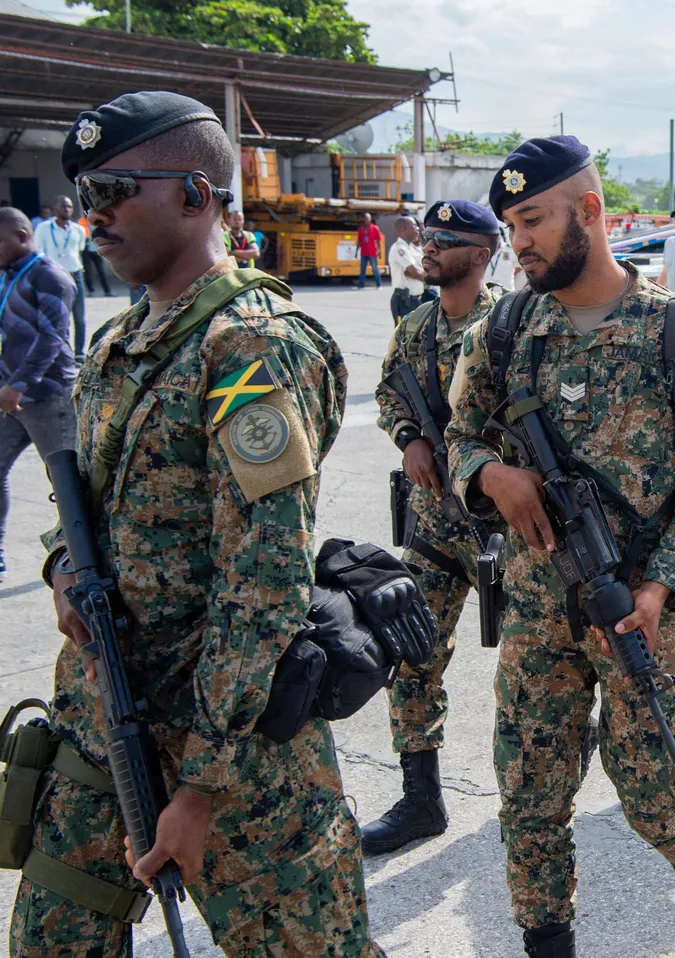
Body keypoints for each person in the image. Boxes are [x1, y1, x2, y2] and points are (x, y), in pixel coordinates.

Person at [13, 91, 382, 955]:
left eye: (112, 189)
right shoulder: (121, 340)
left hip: (233, 751)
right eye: (85, 192)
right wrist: (63, 563)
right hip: (103, 716)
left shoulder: (252, 348)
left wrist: (203, 790)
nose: (90, 212)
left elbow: (265, 579)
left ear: (192, 193)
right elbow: (91, 508)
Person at [446, 136, 675, 958]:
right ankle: (549, 943)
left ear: (589, 211)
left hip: (642, 611)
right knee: (530, 801)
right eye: (509, 226)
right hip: (539, 614)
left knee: (657, 796)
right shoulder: (502, 330)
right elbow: (458, 437)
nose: (520, 242)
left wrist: (665, 588)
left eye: (533, 219)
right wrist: (487, 475)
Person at [363, 200, 508, 855]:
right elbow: (390, 391)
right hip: (434, 528)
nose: (429, 246)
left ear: (481, 255)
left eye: (445, 240)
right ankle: (422, 799)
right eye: (429, 236)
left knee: (541, 665)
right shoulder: (417, 326)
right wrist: (406, 440)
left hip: (508, 530)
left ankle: (549, 782)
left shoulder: (510, 324)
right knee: (411, 654)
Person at [0, 207, 77, 584]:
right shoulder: (9, 275)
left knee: (67, 485)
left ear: (21, 235)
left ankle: (79, 559)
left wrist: (19, 384)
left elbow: (52, 340)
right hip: (11, 399)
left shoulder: (50, 277)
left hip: (49, 398)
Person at [36, 195, 88, 356]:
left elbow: (79, 250)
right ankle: (62, 353)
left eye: (70, 206)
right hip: (55, 278)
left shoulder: (78, 229)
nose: (68, 210)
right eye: (64, 206)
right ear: (55, 209)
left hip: (76, 275)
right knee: (59, 318)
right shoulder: (43, 228)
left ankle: (79, 352)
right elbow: (39, 253)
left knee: (79, 318)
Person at [387, 214, 426, 324]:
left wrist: (419, 273)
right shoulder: (400, 249)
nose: (418, 229)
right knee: (404, 337)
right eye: (414, 226)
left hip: (415, 300)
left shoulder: (411, 248)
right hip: (404, 301)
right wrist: (421, 274)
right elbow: (416, 272)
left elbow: (420, 271)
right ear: (405, 229)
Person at [77, 215, 113, 296]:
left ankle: (107, 291)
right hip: (86, 249)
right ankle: (91, 290)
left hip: (96, 249)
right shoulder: (81, 221)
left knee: (101, 271)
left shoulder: (96, 220)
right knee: (87, 271)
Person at [356, 211, 383, 289]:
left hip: (372, 252)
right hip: (363, 253)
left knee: (375, 269)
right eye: (365, 218)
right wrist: (356, 251)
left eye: (368, 218)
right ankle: (361, 284)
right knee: (362, 270)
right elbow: (359, 241)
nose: (366, 220)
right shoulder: (361, 229)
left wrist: (380, 251)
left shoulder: (375, 228)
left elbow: (378, 241)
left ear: (370, 219)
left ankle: (379, 284)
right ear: (363, 219)